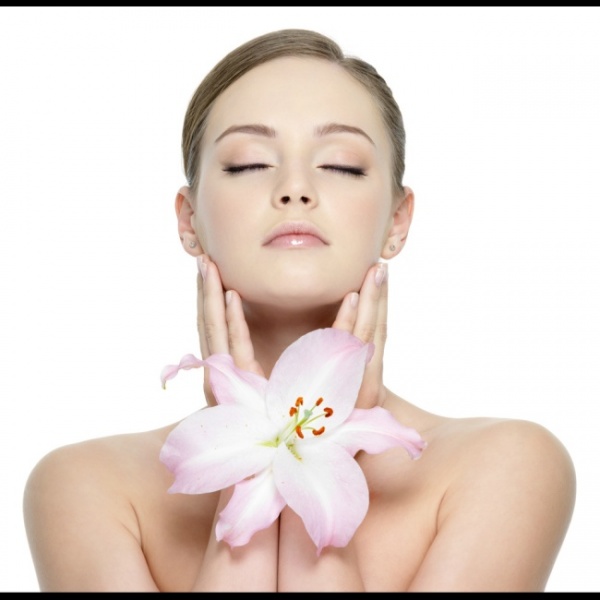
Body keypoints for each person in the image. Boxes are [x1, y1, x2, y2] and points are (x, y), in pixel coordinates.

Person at [22, 28, 576, 592]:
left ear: (397, 221)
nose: (294, 189)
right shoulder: (85, 487)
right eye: (247, 163)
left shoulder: (506, 466)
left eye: (341, 165)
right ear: (189, 221)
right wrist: (253, 466)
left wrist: (321, 454)